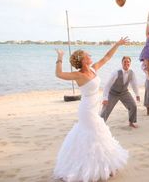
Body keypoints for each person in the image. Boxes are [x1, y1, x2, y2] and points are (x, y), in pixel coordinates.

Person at [53, 37, 129, 181]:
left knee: (95, 136)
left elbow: (107, 57)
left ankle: (105, 165)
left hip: (94, 108)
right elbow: (59, 74)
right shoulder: (79, 75)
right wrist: (60, 58)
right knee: (96, 135)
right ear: (82, 59)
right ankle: (98, 167)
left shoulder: (94, 69)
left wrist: (117, 44)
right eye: (88, 55)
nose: (90, 56)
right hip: (87, 110)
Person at [101, 56, 140, 128]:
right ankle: (100, 125)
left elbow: (134, 84)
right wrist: (105, 98)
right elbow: (107, 85)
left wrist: (137, 94)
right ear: (122, 63)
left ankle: (131, 122)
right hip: (113, 93)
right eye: (124, 62)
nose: (126, 63)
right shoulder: (116, 72)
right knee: (106, 109)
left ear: (130, 63)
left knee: (133, 106)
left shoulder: (131, 73)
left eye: (128, 62)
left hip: (124, 92)